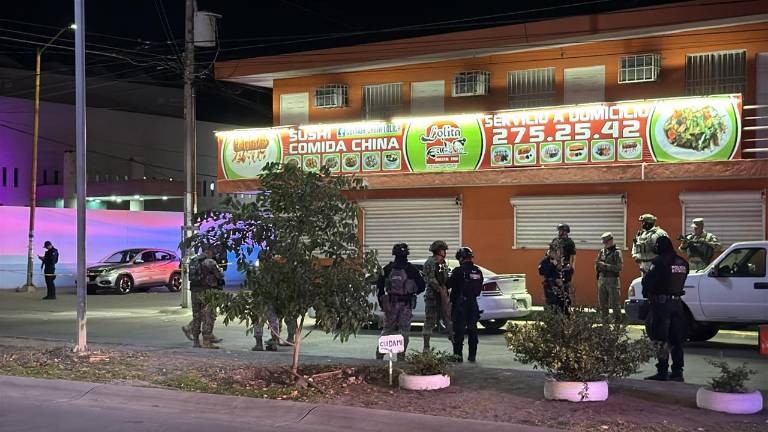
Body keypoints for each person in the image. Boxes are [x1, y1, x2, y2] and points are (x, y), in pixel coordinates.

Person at [642, 236, 689, 382]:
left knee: (660, 339)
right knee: (676, 340)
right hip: (678, 305)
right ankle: (677, 372)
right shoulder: (682, 262)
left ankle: (662, 371)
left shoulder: (659, 262)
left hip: (662, 306)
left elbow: (647, 281)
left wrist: (648, 292)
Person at [375, 243, 425, 361]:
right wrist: (412, 292)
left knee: (387, 330)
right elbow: (422, 286)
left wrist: (383, 303)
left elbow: (380, 286)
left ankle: (379, 355)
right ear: (407, 254)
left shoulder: (387, 268)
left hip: (391, 303)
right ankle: (401, 357)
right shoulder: (411, 269)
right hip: (406, 305)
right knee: (404, 332)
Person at [183, 246, 225, 349]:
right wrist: (221, 270)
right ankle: (206, 341)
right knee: (208, 316)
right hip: (207, 292)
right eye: (213, 252)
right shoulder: (210, 262)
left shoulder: (194, 260)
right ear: (209, 251)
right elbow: (220, 275)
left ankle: (196, 341)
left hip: (194, 291)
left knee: (196, 316)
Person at [448, 247, 483, 362]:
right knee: (473, 330)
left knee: (459, 332)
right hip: (473, 304)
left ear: (461, 258)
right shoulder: (478, 271)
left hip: (460, 305)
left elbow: (448, 284)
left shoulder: (458, 271)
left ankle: (457, 357)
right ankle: (472, 356)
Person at [422, 240, 452, 352]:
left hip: (443, 294)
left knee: (448, 319)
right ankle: (426, 347)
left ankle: (456, 346)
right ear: (438, 251)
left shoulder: (443, 263)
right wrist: (439, 289)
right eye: (443, 250)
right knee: (429, 321)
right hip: (433, 296)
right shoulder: (430, 262)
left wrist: (445, 289)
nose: (445, 252)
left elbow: (445, 277)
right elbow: (430, 279)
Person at [595, 232, 623, 322]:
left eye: (606, 242)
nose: (605, 244)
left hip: (612, 280)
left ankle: (617, 325)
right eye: (604, 242)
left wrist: (606, 266)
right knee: (602, 303)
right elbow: (597, 264)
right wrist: (598, 266)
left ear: (611, 240)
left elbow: (619, 267)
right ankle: (605, 323)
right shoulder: (602, 251)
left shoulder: (617, 252)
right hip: (602, 279)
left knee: (615, 303)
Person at [538, 246, 568, 313]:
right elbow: (542, 272)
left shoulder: (562, 261)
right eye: (552, 252)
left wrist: (562, 280)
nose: (555, 254)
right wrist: (552, 264)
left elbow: (569, 271)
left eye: (556, 252)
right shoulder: (546, 261)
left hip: (561, 286)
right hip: (550, 285)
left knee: (563, 304)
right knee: (552, 304)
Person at [550, 223, 576, 298]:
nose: (559, 232)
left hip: (565, 267)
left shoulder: (570, 242)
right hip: (555, 267)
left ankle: (565, 306)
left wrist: (571, 267)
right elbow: (550, 252)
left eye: (560, 231)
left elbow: (573, 256)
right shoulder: (555, 240)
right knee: (554, 286)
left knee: (565, 288)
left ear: (565, 231)